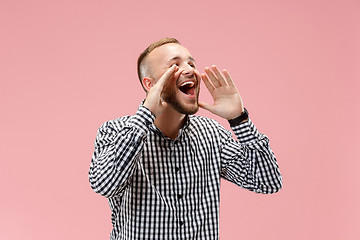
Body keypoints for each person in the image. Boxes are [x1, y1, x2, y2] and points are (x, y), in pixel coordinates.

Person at [89, 37, 282, 239]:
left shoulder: (212, 134)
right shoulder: (115, 130)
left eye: (191, 63)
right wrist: (146, 114)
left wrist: (238, 119)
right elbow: (104, 185)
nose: (189, 70)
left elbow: (267, 182)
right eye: (174, 65)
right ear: (150, 84)